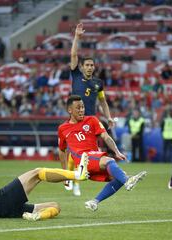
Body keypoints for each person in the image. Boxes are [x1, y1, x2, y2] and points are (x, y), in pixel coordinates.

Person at [58, 95, 147, 212]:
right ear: (70, 110)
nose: (81, 110)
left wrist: (116, 151)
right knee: (110, 162)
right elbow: (62, 150)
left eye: (83, 107)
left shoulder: (92, 120)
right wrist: (65, 174)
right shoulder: (63, 128)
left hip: (93, 159)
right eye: (78, 108)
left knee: (120, 176)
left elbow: (105, 136)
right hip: (83, 160)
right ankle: (128, 181)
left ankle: (94, 202)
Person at [0, 155, 88, 221]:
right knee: (37, 172)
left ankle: (37, 216)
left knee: (55, 206)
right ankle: (77, 174)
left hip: (4, 210)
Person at [64, 22, 115, 195]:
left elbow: (103, 102)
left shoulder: (98, 83)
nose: (90, 67)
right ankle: (73, 180)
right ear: (82, 67)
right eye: (87, 65)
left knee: (90, 152)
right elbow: (73, 54)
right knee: (76, 151)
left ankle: (77, 179)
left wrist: (108, 117)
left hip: (91, 120)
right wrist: (77, 37)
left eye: (92, 65)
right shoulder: (76, 75)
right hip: (76, 119)